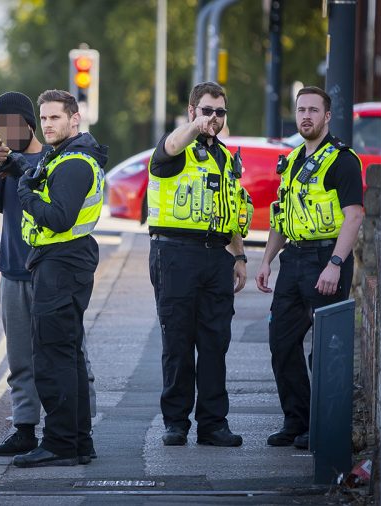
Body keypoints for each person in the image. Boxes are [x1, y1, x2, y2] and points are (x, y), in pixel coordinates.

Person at [255, 86, 363, 450]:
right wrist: (267, 259)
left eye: (313, 110)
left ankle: (325, 428)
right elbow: (281, 216)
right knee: (282, 343)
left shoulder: (342, 160)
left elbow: (354, 216)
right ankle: (296, 421)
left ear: (327, 116)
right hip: (294, 261)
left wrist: (336, 263)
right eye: (301, 109)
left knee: (326, 348)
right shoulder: (291, 160)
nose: (306, 116)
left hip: (325, 260)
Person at [148, 81, 252, 448]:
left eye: (220, 111)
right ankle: (176, 423)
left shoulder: (224, 157)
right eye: (207, 110)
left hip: (216, 256)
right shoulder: (174, 148)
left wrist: (238, 255)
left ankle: (213, 424)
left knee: (214, 343)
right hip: (174, 253)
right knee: (177, 341)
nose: (214, 117)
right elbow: (172, 144)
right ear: (192, 111)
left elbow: (230, 209)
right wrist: (196, 127)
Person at [11, 89, 108, 467]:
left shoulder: (74, 163)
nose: (48, 124)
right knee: (66, 356)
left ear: (74, 119)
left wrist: (26, 194)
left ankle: (60, 444)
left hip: (62, 264)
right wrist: (27, 171)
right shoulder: (67, 158)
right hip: (65, 262)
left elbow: (59, 217)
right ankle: (79, 442)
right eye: (44, 118)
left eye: (55, 118)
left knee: (53, 359)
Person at [0, 92, 48, 456]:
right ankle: (25, 429)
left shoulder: (54, 158)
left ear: (30, 123)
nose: (8, 131)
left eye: (14, 123)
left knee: (65, 353)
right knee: (19, 359)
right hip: (15, 272)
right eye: (1, 127)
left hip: (52, 274)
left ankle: (75, 427)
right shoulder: (6, 162)